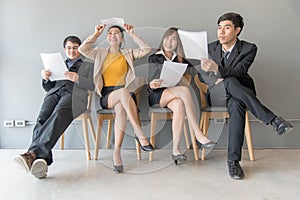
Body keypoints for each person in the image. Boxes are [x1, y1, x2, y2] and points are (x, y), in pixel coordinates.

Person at [199, 12, 293, 179]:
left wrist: (217, 71)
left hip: (239, 95)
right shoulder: (209, 48)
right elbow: (200, 76)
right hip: (217, 95)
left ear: (237, 30)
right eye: (219, 28)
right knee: (230, 82)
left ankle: (233, 162)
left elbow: (239, 71)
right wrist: (214, 78)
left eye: (226, 28)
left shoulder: (249, 48)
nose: (221, 32)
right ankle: (272, 120)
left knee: (236, 100)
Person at [14, 36, 95, 178]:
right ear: (65, 49)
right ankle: (41, 162)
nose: (72, 51)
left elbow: (95, 86)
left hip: (75, 96)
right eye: (69, 48)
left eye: (75, 47)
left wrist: (78, 79)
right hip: (54, 93)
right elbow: (48, 87)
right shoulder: (58, 64)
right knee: (42, 118)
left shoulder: (88, 66)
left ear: (80, 49)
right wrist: (45, 78)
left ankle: (32, 154)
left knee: (58, 114)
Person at [78, 23, 154, 173]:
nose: (113, 35)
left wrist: (132, 33)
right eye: (110, 33)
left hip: (125, 98)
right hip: (107, 95)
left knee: (121, 110)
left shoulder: (128, 53)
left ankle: (116, 152)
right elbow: (82, 49)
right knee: (123, 92)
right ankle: (139, 132)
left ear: (122, 38)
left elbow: (147, 49)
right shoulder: (99, 52)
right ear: (107, 38)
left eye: (117, 33)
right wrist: (96, 34)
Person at [147, 27, 216, 165]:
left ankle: (176, 151)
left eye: (173, 39)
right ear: (163, 40)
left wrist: (203, 57)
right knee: (184, 90)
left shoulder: (181, 59)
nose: (169, 42)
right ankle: (198, 134)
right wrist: (153, 84)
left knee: (179, 105)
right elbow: (151, 80)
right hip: (157, 95)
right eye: (167, 38)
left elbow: (199, 62)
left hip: (174, 96)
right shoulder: (154, 57)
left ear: (178, 43)